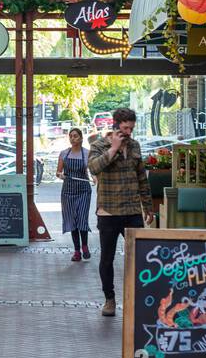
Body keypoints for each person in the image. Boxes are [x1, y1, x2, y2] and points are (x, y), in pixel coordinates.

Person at [87, 106, 154, 319]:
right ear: (115, 125)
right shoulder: (98, 145)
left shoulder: (134, 146)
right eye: (125, 128)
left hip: (132, 209)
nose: (128, 132)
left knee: (140, 257)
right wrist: (113, 149)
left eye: (131, 128)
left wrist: (148, 206)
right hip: (108, 211)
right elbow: (94, 168)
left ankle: (139, 297)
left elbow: (141, 177)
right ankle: (109, 299)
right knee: (107, 258)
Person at [56, 127, 93, 263]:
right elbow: (58, 172)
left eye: (76, 136)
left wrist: (95, 178)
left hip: (84, 190)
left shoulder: (87, 153)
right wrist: (61, 175)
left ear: (81, 138)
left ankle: (85, 246)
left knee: (82, 219)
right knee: (72, 221)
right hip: (68, 192)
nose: (73, 138)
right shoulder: (64, 154)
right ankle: (76, 251)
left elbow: (93, 170)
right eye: (71, 136)